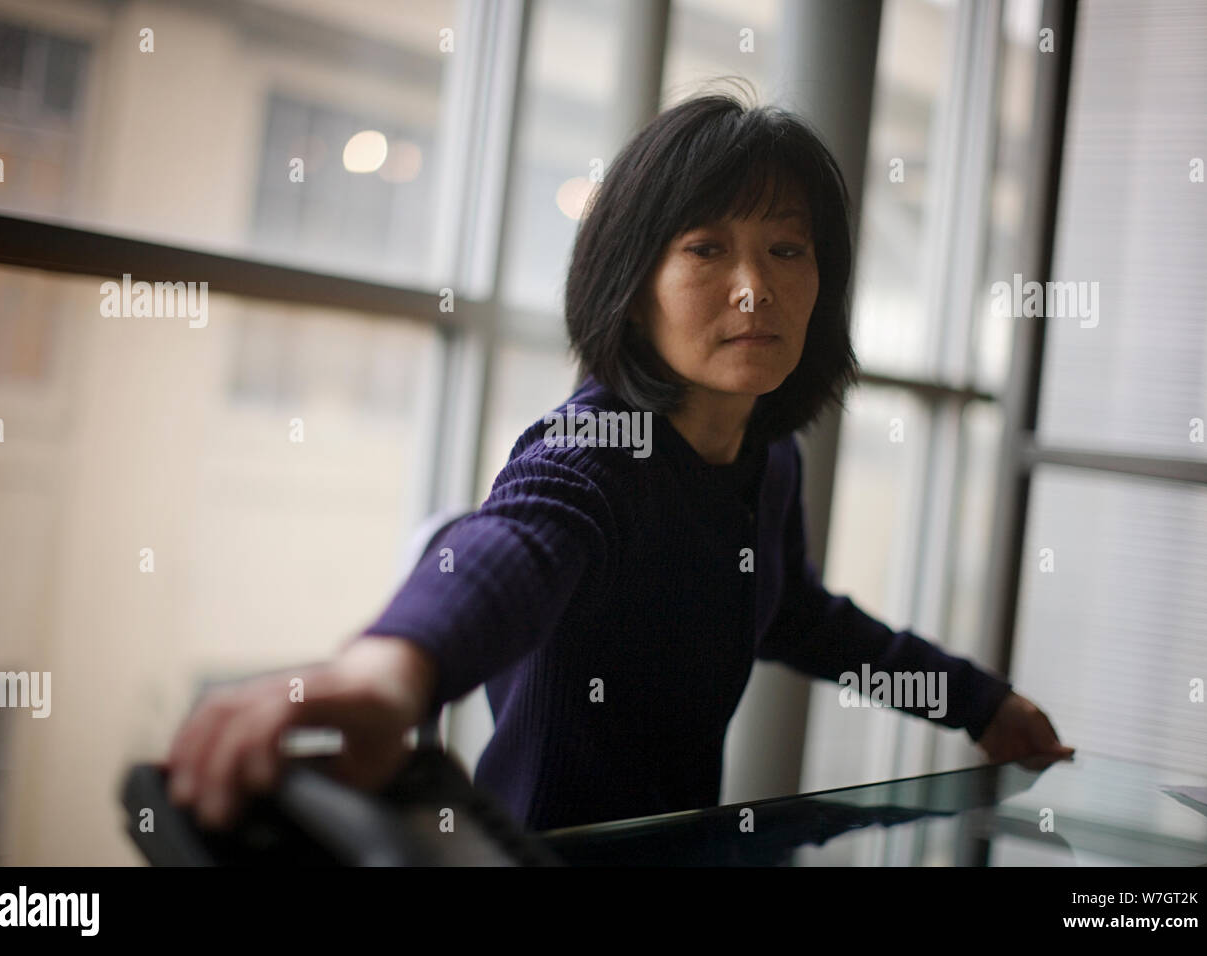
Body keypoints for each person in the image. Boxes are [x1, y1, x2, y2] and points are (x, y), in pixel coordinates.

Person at [166, 92, 1073, 835]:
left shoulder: (767, 455)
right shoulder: (597, 452)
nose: (755, 288)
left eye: (786, 249)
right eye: (706, 248)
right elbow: (513, 543)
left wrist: (976, 704)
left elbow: (794, 612)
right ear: (633, 288)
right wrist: (387, 671)